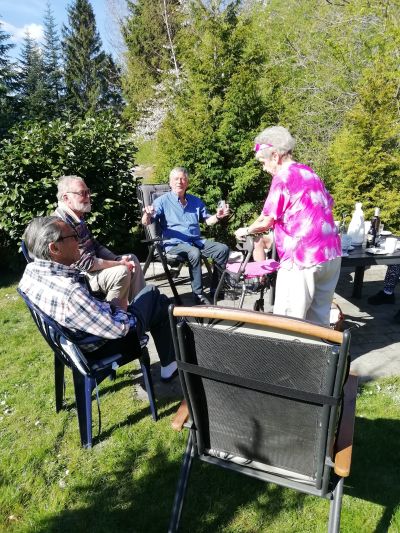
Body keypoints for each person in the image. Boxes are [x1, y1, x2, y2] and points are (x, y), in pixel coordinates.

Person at [19, 216, 177, 381]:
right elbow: (120, 329)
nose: (79, 242)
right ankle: (170, 365)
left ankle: (170, 361)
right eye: (73, 236)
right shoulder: (71, 293)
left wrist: (110, 305)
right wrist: (120, 308)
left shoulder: (30, 273)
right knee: (153, 295)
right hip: (103, 346)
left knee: (155, 303)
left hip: (75, 340)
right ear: (54, 248)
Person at [235, 126, 341, 326]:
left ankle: (291, 348)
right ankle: (319, 347)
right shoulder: (309, 172)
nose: (264, 168)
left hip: (302, 260)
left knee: (289, 322)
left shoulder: (282, 177)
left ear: (275, 156)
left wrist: (245, 231)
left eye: (263, 162)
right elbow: (329, 202)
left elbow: (266, 221)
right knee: (319, 322)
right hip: (330, 255)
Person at [53, 175, 145, 309]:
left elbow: (95, 245)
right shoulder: (63, 224)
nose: (88, 196)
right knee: (122, 271)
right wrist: (119, 263)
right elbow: (86, 264)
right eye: (82, 193)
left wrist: (117, 259)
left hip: (91, 271)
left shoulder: (76, 217)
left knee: (132, 259)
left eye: (88, 192)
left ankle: (141, 308)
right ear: (66, 198)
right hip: (80, 279)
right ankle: (115, 316)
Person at [141, 167, 230, 304]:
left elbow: (207, 221)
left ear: (187, 183)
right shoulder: (162, 201)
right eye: (176, 179)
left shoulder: (195, 201)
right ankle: (198, 294)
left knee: (222, 249)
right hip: (174, 244)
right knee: (194, 253)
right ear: (170, 183)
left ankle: (216, 290)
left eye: (183, 179)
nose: (179, 182)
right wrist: (146, 214)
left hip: (196, 241)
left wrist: (218, 216)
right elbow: (146, 222)